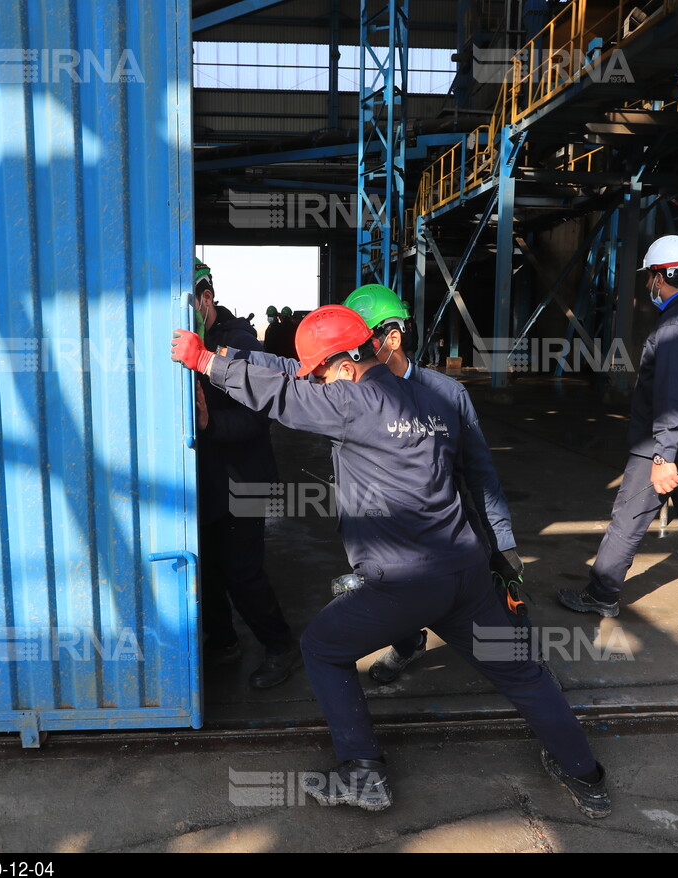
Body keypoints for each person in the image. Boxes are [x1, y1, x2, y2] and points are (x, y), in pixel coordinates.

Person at [171, 306, 609, 817]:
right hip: (464, 572)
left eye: (321, 372)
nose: (318, 381)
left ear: (343, 364)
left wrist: (206, 361)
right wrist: (235, 354)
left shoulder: (352, 403)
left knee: (321, 647)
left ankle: (362, 772)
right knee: (524, 674)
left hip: (403, 582)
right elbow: (294, 375)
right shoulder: (435, 397)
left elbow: (285, 396)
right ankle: (587, 776)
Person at [220, 284, 524, 684]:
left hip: (443, 536)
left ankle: (530, 674)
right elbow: (287, 369)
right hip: (380, 534)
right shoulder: (347, 384)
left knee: (501, 637)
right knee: (392, 597)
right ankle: (407, 643)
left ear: (391, 339)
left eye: (363, 334)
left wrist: (503, 546)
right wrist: (227, 357)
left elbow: (481, 475)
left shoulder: (446, 394)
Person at [556, 235, 678, 651]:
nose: (650, 285)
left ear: (661, 277)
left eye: (650, 277)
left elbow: (674, 394)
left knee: (627, 522)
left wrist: (663, 453)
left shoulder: (676, 324)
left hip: (663, 449)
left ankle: (601, 594)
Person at [191, 258, 300, 687]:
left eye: (189, 304)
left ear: (206, 298)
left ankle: (279, 647)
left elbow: (260, 417)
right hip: (202, 480)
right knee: (209, 569)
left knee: (242, 572)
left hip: (245, 479)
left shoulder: (239, 346)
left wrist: (209, 425)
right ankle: (222, 641)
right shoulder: (181, 342)